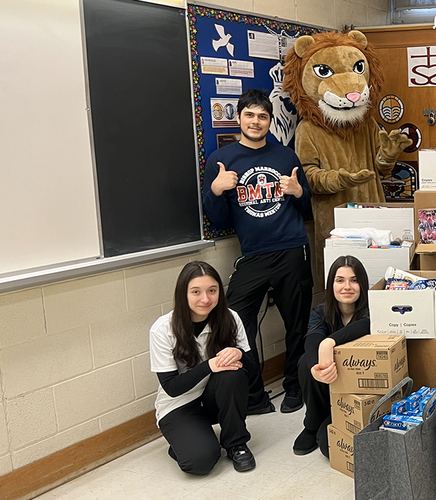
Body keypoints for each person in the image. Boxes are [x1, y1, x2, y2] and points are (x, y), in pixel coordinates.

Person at [202, 89, 314, 415]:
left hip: (292, 249)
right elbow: (220, 219)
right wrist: (216, 190)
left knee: (296, 323)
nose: (256, 121)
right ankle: (254, 395)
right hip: (252, 255)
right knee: (237, 322)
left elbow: (306, 207)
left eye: (262, 116)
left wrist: (298, 192)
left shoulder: (286, 157)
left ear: (269, 121)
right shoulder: (221, 162)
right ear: (238, 118)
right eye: (249, 115)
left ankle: (294, 386)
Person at [149, 261, 256, 474]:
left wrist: (240, 354)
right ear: (183, 293)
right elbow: (171, 387)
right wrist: (210, 365)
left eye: (212, 291)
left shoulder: (230, 317)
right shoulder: (162, 329)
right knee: (200, 463)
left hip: (214, 396)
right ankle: (187, 443)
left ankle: (236, 444)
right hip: (179, 404)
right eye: (196, 292)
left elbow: (252, 373)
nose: (205, 299)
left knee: (232, 375)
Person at [293, 255, 372, 456]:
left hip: (358, 392)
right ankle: (312, 424)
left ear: (362, 284)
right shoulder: (321, 312)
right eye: (340, 280)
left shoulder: (372, 310)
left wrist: (329, 342)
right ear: (331, 284)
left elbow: (364, 325)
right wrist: (315, 369)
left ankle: (325, 425)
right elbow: (311, 341)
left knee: (328, 446)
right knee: (305, 362)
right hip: (329, 387)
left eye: (354, 280)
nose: (347, 286)